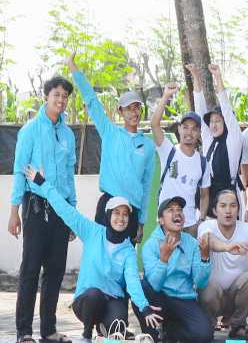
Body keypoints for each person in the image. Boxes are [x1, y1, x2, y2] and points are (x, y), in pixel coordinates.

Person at [23, 165, 161, 342]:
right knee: (94, 295)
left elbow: (133, 283)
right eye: (116, 213)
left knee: (118, 327)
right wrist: (43, 184)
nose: (121, 218)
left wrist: (145, 307)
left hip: (113, 300)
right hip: (87, 300)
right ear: (109, 215)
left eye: (125, 214)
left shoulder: (128, 251)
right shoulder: (92, 232)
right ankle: (87, 334)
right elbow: (66, 211)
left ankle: (104, 333)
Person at [10, 72, 77, 343]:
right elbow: (18, 171)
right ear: (46, 96)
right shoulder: (30, 130)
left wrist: (72, 213)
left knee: (56, 270)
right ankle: (24, 331)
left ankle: (48, 330)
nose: (60, 100)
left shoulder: (69, 134)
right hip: (35, 206)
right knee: (30, 269)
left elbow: (70, 175)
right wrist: (14, 211)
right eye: (56, 95)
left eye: (64, 96)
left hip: (61, 209)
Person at [68, 53, 154, 243]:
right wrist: (73, 68)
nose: (134, 112)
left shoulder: (147, 145)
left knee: (125, 259)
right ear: (120, 111)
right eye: (129, 108)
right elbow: (91, 101)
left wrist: (142, 220)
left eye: (137, 107)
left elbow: (147, 185)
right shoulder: (110, 132)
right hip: (108, 204)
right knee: (101, 254)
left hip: (132, 208)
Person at [198, 189, 248, 339]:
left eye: (233, 205)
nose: (228, 211)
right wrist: (227, 247)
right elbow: (209, 241)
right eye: (223, 206)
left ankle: (237, 327)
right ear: (215, 210)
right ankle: (208, 327)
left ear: (238, 209)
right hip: (213, 297)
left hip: (236, 297)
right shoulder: (207, 226)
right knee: (206, 284)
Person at [139, 196, 215, 343]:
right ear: (161, 220)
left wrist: (205, 258)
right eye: (171, 210)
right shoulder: (151, 245)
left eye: (180, 210)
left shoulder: (192, 243)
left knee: (204, 335)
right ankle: (151, 336)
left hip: (184, 299)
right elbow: (154, 284)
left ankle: (172, 331)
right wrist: (164, 259)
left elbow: (200, 283)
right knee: (142, 287)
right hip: (160, 297)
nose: (177, 213)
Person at [151, 83, 210, 236]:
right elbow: (154, 124)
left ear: (199, 133)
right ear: (179, 129)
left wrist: (201, 220)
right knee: (164, 259)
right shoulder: (168, 151)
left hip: (190, 225)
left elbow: (204, 194)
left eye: (194, 128)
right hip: (166, 223)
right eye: (185, 127)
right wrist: (165, 96)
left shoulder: (203, 163)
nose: (189, 132)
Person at [188, 64, 244, 202]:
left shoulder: (233, 140)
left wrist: (217, 77)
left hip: (229, 196)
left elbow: (226, 108)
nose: (213, 125)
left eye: (218, 121)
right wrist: (195, 75)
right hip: (210, 196)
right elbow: (200, 110)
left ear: (225, 123)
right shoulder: (209, 140)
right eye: (211, 122)